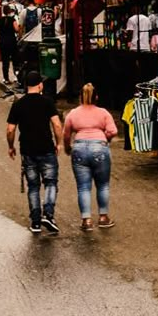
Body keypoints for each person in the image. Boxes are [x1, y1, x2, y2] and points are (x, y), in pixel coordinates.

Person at [6, 73, 62, 234]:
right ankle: (49, 215)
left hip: (28, 150)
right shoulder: (47, 102)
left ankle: (36, 222)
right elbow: (57, 125)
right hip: (46, 148)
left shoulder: (18, 104)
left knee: (33, 186)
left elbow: (10, 129)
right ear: (40, 85)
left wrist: (11, 146)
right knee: (50, 183)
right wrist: (58, 143)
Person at [63, 83, 118, 231]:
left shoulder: (73, 113)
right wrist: (105, 139)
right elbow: (113, 131)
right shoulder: (103, 113)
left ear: (80, 97)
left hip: (79, 148)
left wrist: (68, 148)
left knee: (83, 187)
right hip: (99, 147)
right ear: (97, 97)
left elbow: (66, 134)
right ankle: (103, 217)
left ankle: (86, 220)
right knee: (103, 185)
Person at [0, 4, 19, 86]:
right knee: (15, 60)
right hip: (11, 41)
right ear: (9, 11)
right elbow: (16, 29)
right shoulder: (12, 20)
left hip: (2, 41)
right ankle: (16, 76)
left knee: (5, 61)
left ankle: (6, 78)